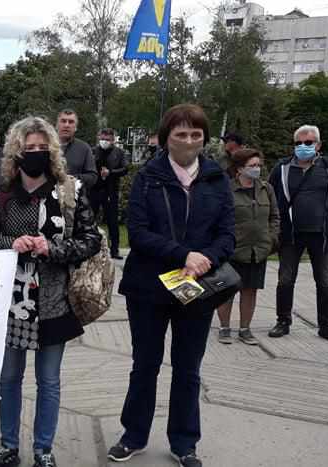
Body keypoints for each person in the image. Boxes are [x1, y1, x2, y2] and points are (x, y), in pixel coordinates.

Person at [108, 104, 234, 467]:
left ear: (205, 138)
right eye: (180, 133)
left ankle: (184, 442)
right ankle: (133, 435)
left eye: (196, 134)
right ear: (166, 138)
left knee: (188, 367)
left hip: (197, 286)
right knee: (145, 364)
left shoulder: (216, 178)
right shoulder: (148, 176)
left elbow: (227, 233)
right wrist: (183, 255)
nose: (189, 140)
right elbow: (139, 231)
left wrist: (203, 259)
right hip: (148, 286)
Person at [0, 116, 101, 467]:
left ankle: (43, 450)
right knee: (9, 378)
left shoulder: (69, 191)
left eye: (40, 147)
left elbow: (91, 240)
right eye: (27, 147)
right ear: (15, 152)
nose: (34, 153)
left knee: (48, 380)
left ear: (52, 150)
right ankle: (8, 446)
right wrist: (9, 243)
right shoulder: (2, 193)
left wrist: (52, 249)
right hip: (11, 302)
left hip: (53, 301)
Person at [267, 125, 328, 344]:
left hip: (322, 235)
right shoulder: (281, 168)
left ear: (318, 145)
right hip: (291, 234)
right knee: (285, 279)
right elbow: (272, 195)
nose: (303, 146)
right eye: (298, 143)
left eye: (308, 143)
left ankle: (326, 326)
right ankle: (283, 321)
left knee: (325, 282)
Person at [216, 148, 280, 345]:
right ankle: (224, 328)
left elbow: (275, 217)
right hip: (233, 251)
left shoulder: (266, 188)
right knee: (226, 291)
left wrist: (271, 239)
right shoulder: (226, 189)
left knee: (250, 291)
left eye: (259, 165)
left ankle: (245, 329)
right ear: (239, 169)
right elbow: (217, 219)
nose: (257, 169)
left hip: (258, 251)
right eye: (252, 166)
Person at [90, 128, 129, 259]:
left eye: (107, 139)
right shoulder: (92, 151)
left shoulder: (119, 152)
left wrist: (111, 172)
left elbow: (125, 168)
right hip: (94, 190)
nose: (104, 141)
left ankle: (115, 249)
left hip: (110, 191)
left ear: (113, 140)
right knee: (89, 219)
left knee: (112, 222)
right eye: (102, 138)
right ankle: (89, 247)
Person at [56, 110, 98, 190]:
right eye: (63, 121)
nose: (66, 125)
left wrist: (74, 179)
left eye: (71, 122)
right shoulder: (45, 146)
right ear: (57, 125)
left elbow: (93, 177)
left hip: (74, 199)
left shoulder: (84, 148)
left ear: (75, 127)